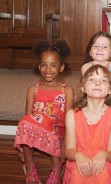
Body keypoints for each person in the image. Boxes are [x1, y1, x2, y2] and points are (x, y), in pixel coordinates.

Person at [14, 40, 74, 184]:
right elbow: (27, 118)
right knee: (25, 121)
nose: (48, 70)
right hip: (37, 133)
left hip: (56, 134)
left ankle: (56, 166)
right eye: (43, 65)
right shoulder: (32, 89)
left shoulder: (66, 90)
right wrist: (21, 145)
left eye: (53, 65)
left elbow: (69, 120)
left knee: (49, 125)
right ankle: (29, 165)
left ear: (61, 68)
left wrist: (66, 145)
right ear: (38, 67)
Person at [63, 65, 111, 184]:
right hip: (77, 162)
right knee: (77, 175)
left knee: (103, 174)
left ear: (110, 90)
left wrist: (103, 155)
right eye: (91, 79)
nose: (97, 83)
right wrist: (78, 156)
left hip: (104, 164)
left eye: (103, 80)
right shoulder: (72, 115)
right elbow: (69, 151)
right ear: (82, 88)